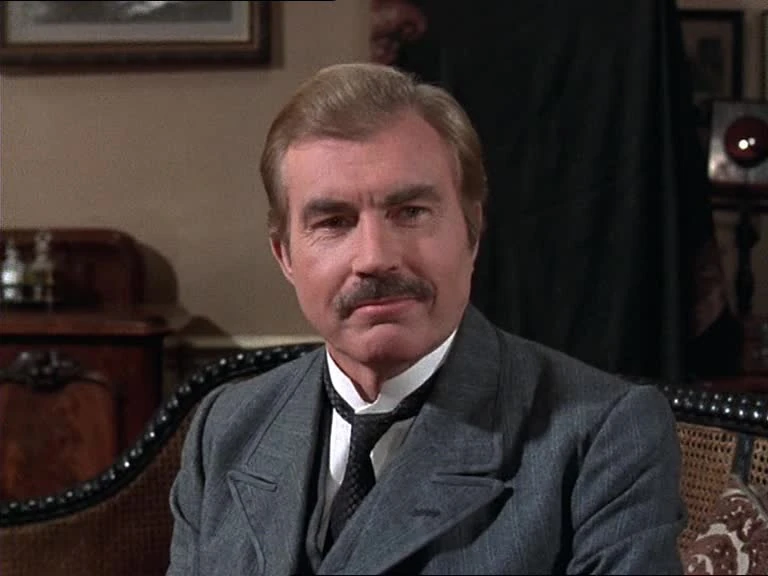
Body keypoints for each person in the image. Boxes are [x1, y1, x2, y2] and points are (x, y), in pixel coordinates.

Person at [167, 62, 685, 575]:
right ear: (285, 255)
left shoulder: (603, 435)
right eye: (334, 222)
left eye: (410, 212)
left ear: (472, 232)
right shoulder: (228, 427)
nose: (375, 258)